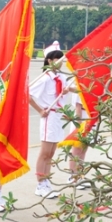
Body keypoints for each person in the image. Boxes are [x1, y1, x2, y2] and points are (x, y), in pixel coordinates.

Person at [29, 49, 69, 199]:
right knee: (44, 152)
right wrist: (40, 110)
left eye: (62, 59)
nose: (60, 62)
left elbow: (70, 88)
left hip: (59, 116)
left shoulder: (61, 77)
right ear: (50, 61)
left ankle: (46, 182)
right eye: (58, 59)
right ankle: (40, 184)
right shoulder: (44, 78)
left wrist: (67, 90)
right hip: (49, 115)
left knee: (51, 153)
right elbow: (28, 95)